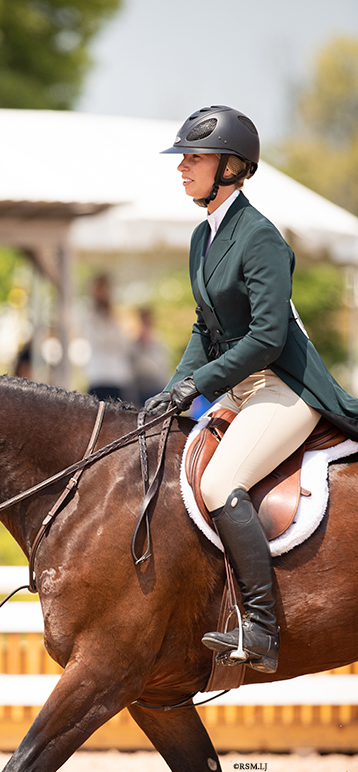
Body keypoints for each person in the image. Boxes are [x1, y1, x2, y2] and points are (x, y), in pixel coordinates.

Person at [143, 105, 358, 674]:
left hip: (285, 388)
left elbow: (267, 336)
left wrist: (201, 384)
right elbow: (204, 327)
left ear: (232, 167)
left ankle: (260, 626)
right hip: (239, 388)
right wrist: (173, 392)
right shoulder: (202, 237)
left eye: (195, 157)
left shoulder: (260, 237)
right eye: (183, 158)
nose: (183, 167)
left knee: (219, 484)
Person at [84, 274, 130, 402]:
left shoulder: (114, 315)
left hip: (117, 377)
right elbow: (98, 340)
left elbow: (123, 343)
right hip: (99, 376)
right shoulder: (90, 314)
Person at [129, 306, 169, 407]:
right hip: (140, 392)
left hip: (158, 389)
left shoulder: (159, 345)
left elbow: (163, 369)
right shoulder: (133, 347)